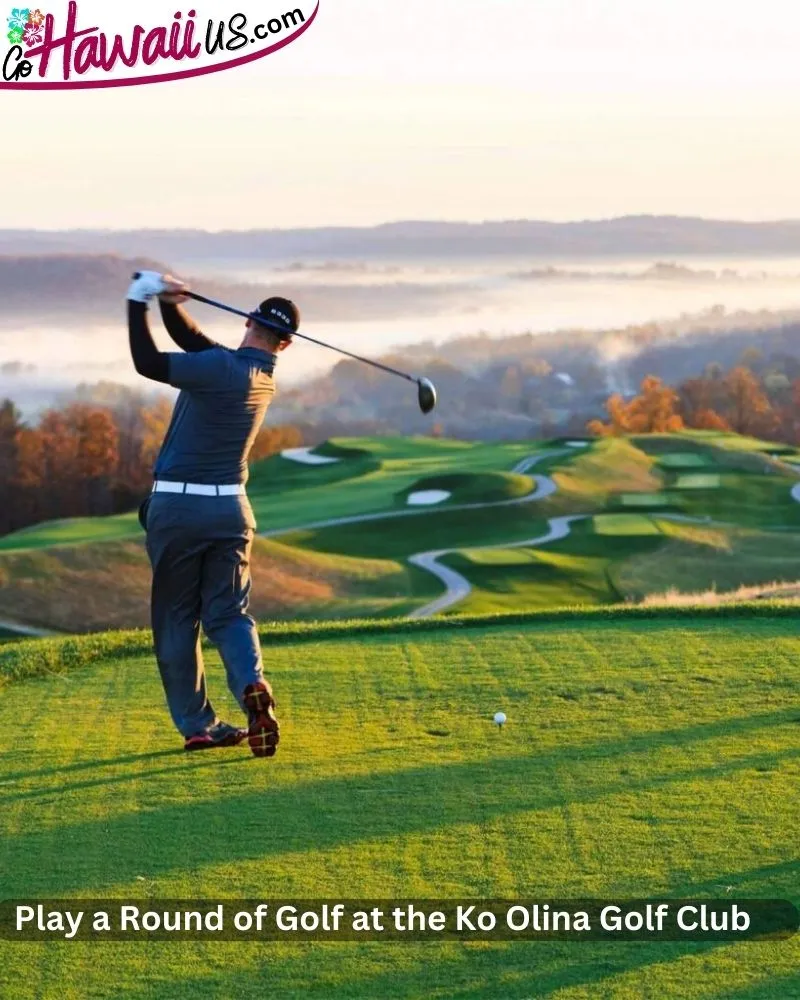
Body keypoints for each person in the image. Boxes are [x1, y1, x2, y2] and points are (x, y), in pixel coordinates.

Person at [126, 269, 298, 757]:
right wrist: (168, 302)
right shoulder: (260, 379)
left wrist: (137, 300)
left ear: (247, 320)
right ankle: (252, 685)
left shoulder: (220, 369)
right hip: (232, 511)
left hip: (179, 508)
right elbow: (194, 340)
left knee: (179, 617)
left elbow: (147, 361)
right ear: (285, 345)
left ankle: (199, 725)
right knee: (229, 611)